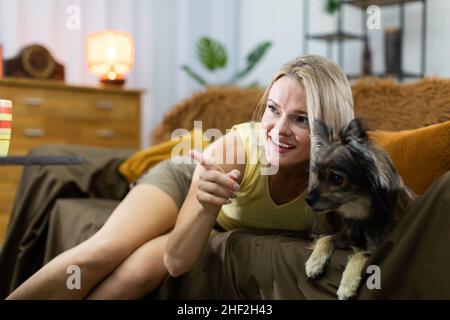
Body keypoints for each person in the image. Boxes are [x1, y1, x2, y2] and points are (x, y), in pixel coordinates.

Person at [6, 54, 354, 299]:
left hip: (227, 216)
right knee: (103, 251)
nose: (278, 130)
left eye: (301, 119)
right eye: (273, 110)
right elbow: (178, 260)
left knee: (138, 274)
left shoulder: (343, 178)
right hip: (186, 181)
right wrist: (203, 202)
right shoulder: (234, 150)